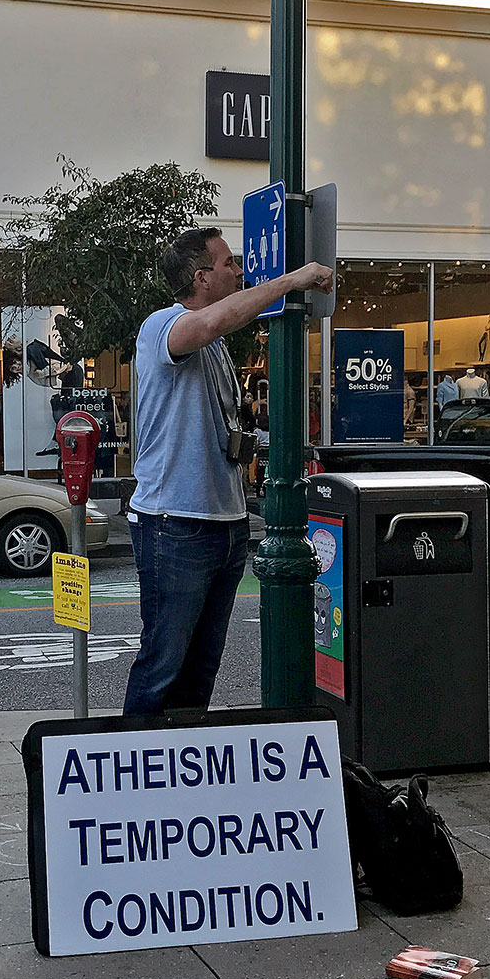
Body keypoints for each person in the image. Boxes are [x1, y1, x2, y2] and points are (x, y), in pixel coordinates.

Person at [122, 226, 333, 718]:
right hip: (175, 521)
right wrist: (293, 279)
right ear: (201, 278)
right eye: (228, 263)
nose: (239, 270)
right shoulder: (162, 326)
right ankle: (135, 777)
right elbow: (210, 324)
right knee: (162, 665)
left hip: (224, 524)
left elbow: (223, 426)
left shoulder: (214, 346)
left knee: (200, 670)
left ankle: (185, 770)